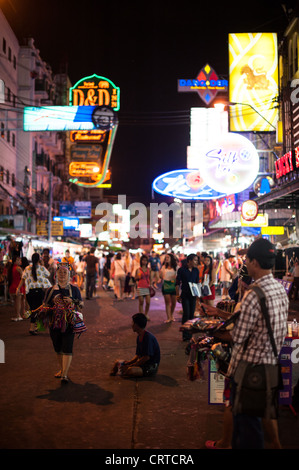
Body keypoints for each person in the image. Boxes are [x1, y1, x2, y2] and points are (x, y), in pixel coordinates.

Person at [205, 238, 289, 449]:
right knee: (266, 414)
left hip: (249, 371)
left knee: (248, 432)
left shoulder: (253, 295)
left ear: (255, 263)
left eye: (247, 260)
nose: (245, 265)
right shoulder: (280, 290)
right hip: (270, 365)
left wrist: (212, 332)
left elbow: (238, 336)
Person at [40, 262, 83, 384]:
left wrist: (73, 300)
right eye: (60, 272)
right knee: (58, 348)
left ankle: (64, 374)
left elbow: (81, 305)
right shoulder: (50, 290)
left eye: (65, 272)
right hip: (54, 324)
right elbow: (45, 305)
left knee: (67, 348)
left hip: (69, 323)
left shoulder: (74, 290)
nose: (62, 274)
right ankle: (62, 369)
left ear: (69, 275)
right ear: (56, 275)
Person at [110, 313, 160, 377]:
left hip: (150, 367)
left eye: (133, 323)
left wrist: (131, 365)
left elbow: (146, 357)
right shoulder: (139, 336)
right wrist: (129, 362)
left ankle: (123, 372)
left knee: (131, 370)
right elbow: (138, 355)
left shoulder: (148, 337)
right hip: (143, 364)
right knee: (117, 362)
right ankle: (123, 372)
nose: (132, 325)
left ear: (137, 325)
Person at [17, 252, 52, 335]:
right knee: (38, 310)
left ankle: (35, 327)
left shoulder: (27, 268)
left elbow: (22, 279)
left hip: (29, 293)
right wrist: (42, 264)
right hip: (39, 292)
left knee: (33, 309)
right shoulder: (42, 268)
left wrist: (18, 288)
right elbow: (48, 275)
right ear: (39, 259)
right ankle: (33, 327)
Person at [176, 253, 199, 341]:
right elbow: (177, 283)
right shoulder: (181, 270)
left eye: (197, 260)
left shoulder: (196, 270)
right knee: (186, 314)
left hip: (193, 295)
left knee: (191, 315)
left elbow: (197, 283)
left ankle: (190, 334)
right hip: (185, 294)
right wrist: (177, 295)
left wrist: (198, 295)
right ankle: (185, 335)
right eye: (195, 260)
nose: (196, 262)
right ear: (189, 261)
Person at [160, 253, 177, 323]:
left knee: (174, 303)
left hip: (174, 285)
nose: (166, 259)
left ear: (171, 259)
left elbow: (178, 275)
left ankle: (171, 315)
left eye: (168, 257)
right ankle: (169, 317)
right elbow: (161, 276)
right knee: (167, 302)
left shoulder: (176, 267)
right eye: (166, 258)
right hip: (166, 285)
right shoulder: (163, 267)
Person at [7, 255, 25, 321]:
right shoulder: (18, 268)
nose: (20, 261)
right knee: (19, 302)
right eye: (18, 260)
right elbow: (23, 277)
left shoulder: (11, 268)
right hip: (18, 287)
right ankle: (18, 315)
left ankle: (17, 315)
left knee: (16, 302)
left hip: (12, 286)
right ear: (15, 261)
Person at [135, 254, 152, 319]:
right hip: (140, 286)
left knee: (148, 302)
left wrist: (151, 284)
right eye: (143, 260)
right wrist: (138, 276)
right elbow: (135, 278)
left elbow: (150, 278)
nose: (144, 261)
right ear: (141, 261)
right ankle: (141, 316)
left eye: (145, 260)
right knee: (141, 301)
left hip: (147, 287)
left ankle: (146, 314)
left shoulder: (149, 269)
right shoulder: (138, 269)